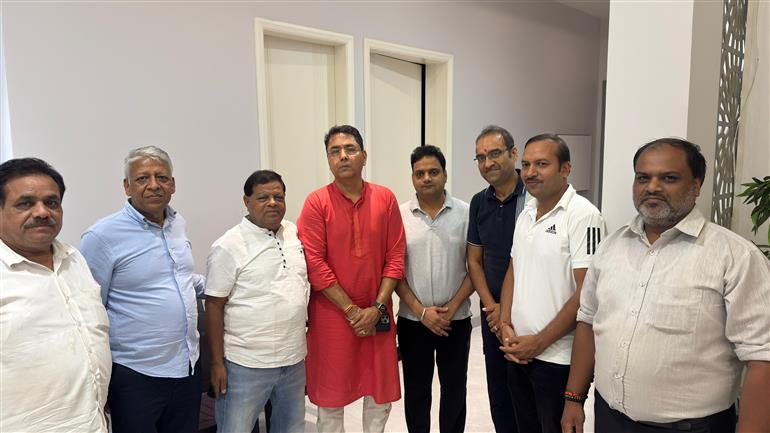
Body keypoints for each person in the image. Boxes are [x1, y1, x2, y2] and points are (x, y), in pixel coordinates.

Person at [561, 138, 770, 433]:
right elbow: (588, 321)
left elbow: (762, 357)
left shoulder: (735, 257)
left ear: (696, 185)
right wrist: (574, 398)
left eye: (669, 178)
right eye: (642, 177)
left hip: (692, 428)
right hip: (609, 419)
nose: (652, 187)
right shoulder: (611, 247)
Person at [81, 146, 205, 433]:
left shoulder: (177, 224)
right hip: (135, 374)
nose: (153, 185)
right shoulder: (102, 236)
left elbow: (181, 278)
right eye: (142, 178)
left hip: (187, 365)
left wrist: (223, 284)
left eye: (161, 177)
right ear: (127, 186)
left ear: (173, 184)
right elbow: (89, 309)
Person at [297, 124, 406, 433]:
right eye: (335, 151)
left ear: (364, 156)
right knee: (330, 399)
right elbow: (314, 263)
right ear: (328, 160)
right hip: (331, 318)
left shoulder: (385, 198)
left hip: (377, 313)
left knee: (378, 394)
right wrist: (351, 310)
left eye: (350, 149)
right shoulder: (316, 202)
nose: (343, 156)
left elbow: (395, 257)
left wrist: (376, 308)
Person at [497, 133, 605, 433]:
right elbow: (513, 270)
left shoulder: (584, 216)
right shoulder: (526, 212)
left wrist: (539, 342)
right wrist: (504, 324)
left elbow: (587, 294)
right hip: (518, 350)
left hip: (557, 360)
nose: (530, 172)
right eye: (526, 164)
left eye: (542, 164)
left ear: (565, 168)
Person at [0, 158, 111, 432]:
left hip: (93, 422)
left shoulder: (74, 259)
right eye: (25, 203)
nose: (42, 212)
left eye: (51, 202)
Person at [205, 170, 309, 433]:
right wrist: (217, 363)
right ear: (246, 201)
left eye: (278, 197)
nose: (272, 203)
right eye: (263, 197)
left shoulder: (293, 233)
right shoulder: (228, 245)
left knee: (291, 428)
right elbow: (214, 305)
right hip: (245, 364)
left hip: (293, 360)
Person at [396, 145, 474, 433]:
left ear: (445, 174)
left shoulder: (465, 213)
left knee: (454, 390)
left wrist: (450, 308)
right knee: (417, 392)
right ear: (412, 178)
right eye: (420, 173)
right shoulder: (399, 215)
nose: (426, 178)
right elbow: (394, 272)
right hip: (413, 321)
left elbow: (475, 268)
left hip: (455, 320)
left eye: (433, 172)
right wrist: (422, 312)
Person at [467, 125, 527, 432]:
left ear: (513, 153)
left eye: (494, 154)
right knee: (499, 395)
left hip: (528, 314)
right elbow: (474, 261)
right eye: (480, 157)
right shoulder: (479, 202)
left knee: (528, 398)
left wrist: (507, 312)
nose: (487, 163)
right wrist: (491, 307)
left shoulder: (532, 197)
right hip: (492, 316)